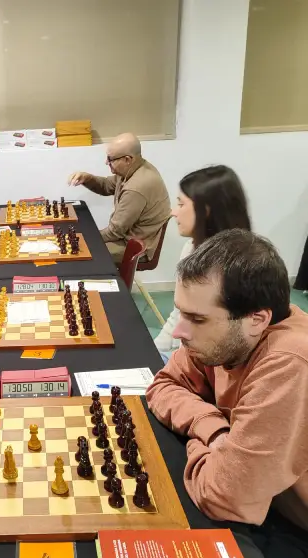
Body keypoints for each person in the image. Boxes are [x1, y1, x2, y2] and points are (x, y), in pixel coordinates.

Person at [146, 229, 308, 530]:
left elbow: (222, 497)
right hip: (263, 501)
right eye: (182, 314)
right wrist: (214, 430)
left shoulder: (290, 362)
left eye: (197, 319)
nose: (179, 332)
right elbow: (163, 386)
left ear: (257, 320)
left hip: (292, 528)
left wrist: (204, 442)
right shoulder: (225, 339)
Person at [155, 165, 252, 354]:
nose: (173, 212)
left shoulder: (236, 268)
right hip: (180, 356)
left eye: (181, 204)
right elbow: (178, 316)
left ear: (206, 210)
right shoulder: (191, 248)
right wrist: (153, 351)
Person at [67, 132, 170, 265]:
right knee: (79, 244)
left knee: (78, 252)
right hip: (125, 237)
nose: (106, 162)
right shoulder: (135, 168)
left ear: (127, 159)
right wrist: (87, 178)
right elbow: (106, 186)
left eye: (110, 159)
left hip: (136, 246)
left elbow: (114, 232)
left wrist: (81, 237)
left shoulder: (136, 187)